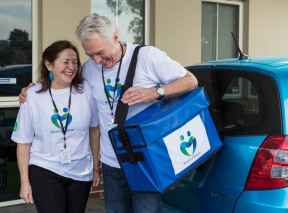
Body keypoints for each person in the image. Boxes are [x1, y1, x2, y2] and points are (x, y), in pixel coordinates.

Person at [20, 15, 198, 213]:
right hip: (111, 163)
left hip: (144, 161)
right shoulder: (90, 69)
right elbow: (61, 83)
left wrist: (156, 92)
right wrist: (32, 89)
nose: (97, 60)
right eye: (90, 54)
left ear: (115, 37)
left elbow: (191, 81)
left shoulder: (148, 57)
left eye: (100, 53)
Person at [12, 40, 100, 213]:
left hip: (80, 171)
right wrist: (24, 181)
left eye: (75, 62)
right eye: (66, 61)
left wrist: (95, 167)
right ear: (49, 64)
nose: (71, 67)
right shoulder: (32, 96)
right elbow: (23, 142)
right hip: (45, 168)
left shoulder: (86, 91)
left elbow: (94, 131)